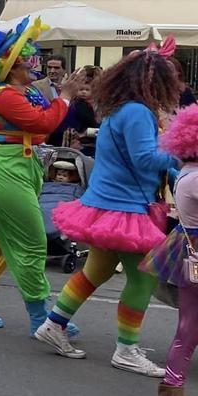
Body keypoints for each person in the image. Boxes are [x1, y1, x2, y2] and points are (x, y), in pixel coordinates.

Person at [34, 44, 181, 376]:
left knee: (96, 271)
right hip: (125, 208)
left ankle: (54, 324)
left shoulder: (120, 108)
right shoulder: (138, 112)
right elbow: (145, 160)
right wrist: (180, 153)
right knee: (143, 278)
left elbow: (139, 157)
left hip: (106, 204)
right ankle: (126, 349)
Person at [0, 17, 77, 334]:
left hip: (11, 168)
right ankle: (42, 317)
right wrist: (64, 96)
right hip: (3, 170)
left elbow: (49, 122)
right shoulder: (7, 95)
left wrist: (63, 100)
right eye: (26, 56)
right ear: (13, 65)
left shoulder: (20, 92)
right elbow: (42, 124)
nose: (33, 60)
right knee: (34, 242)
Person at [143, 105, 198, 396]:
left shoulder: (188, 172)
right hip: (194, 252)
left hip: (187, 248)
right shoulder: (195, 178)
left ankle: (171, 392)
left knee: (189, 328)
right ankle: (171, 395)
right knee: (189, 329)